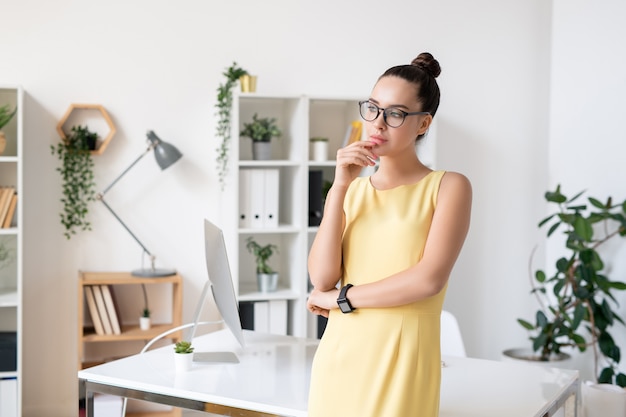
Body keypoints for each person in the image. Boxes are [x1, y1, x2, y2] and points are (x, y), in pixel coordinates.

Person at [306, 52, 472, 417]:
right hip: (338, 356)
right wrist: (340, 186)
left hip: (402, 359)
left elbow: (428, 280)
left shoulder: (448, 187)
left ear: (423, 123)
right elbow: (321, 278)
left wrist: (341, 299)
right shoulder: (352, 191)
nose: (377, 124)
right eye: (373, 108)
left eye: (395, 113)